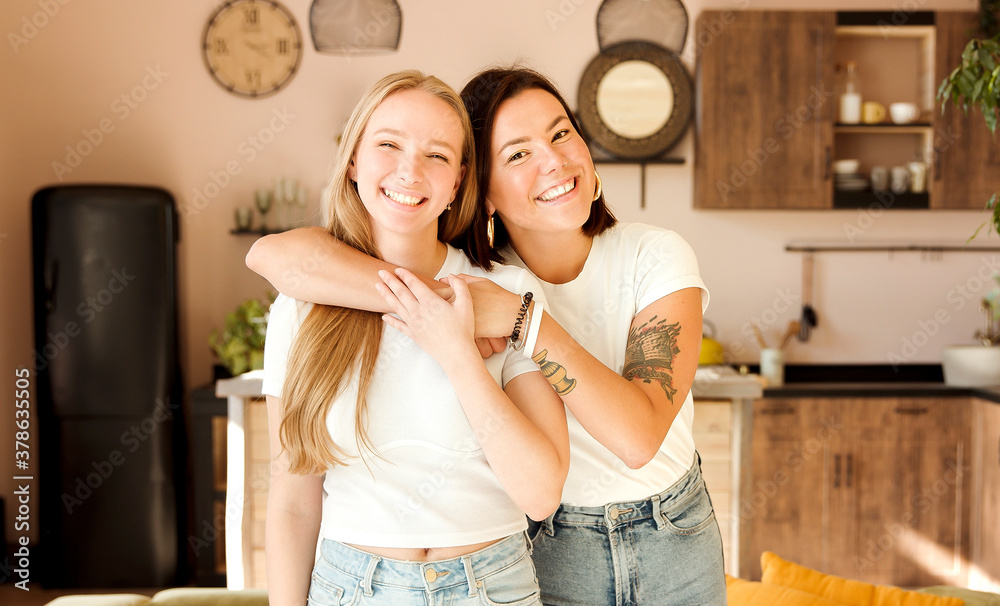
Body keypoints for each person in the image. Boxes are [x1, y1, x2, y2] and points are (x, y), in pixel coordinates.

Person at [249, 66, 726, 606]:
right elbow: (272, 257)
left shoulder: (535, 284)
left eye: (561, 132)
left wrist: (499, 329)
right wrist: (430, 306)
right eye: (517, 153)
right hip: (492, 555)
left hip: (647, 532)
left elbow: (616, 450)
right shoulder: (354, 291)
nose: (552, 161)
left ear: (458, 182)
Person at [262, 70, 569, 606]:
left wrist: (455, 352)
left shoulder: (506, 294)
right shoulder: (300, 303)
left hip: (490, 585)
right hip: (350, 586)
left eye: (437, 155)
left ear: (458, 182)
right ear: (354, 159)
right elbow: (292, 502)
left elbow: (541, 495)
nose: (410, 170)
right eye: (388, 144)